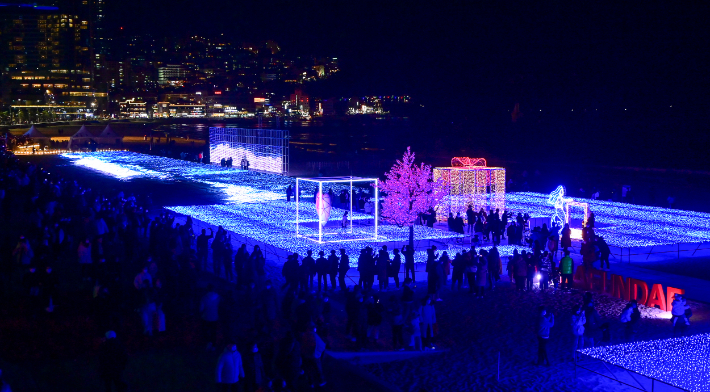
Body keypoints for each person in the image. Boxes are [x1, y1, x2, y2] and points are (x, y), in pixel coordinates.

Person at [301, 322, 327, 388]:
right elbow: (322, 346)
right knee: (318, 368)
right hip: (314, 356)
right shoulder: (314, 335)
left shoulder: (304, 335)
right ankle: (321, 381)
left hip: (306, 356)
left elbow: (302, 345)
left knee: (309, 369)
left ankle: (311, 383)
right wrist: (318, 354)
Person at [200, 284, 221, 351]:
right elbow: (220, 308)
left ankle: (208, 344)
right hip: (215, 317)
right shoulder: (218, 297)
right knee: (213, 332)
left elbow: (201, 308)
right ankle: (213, 345)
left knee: (206, 331)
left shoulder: (204, 297)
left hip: (206, 317)